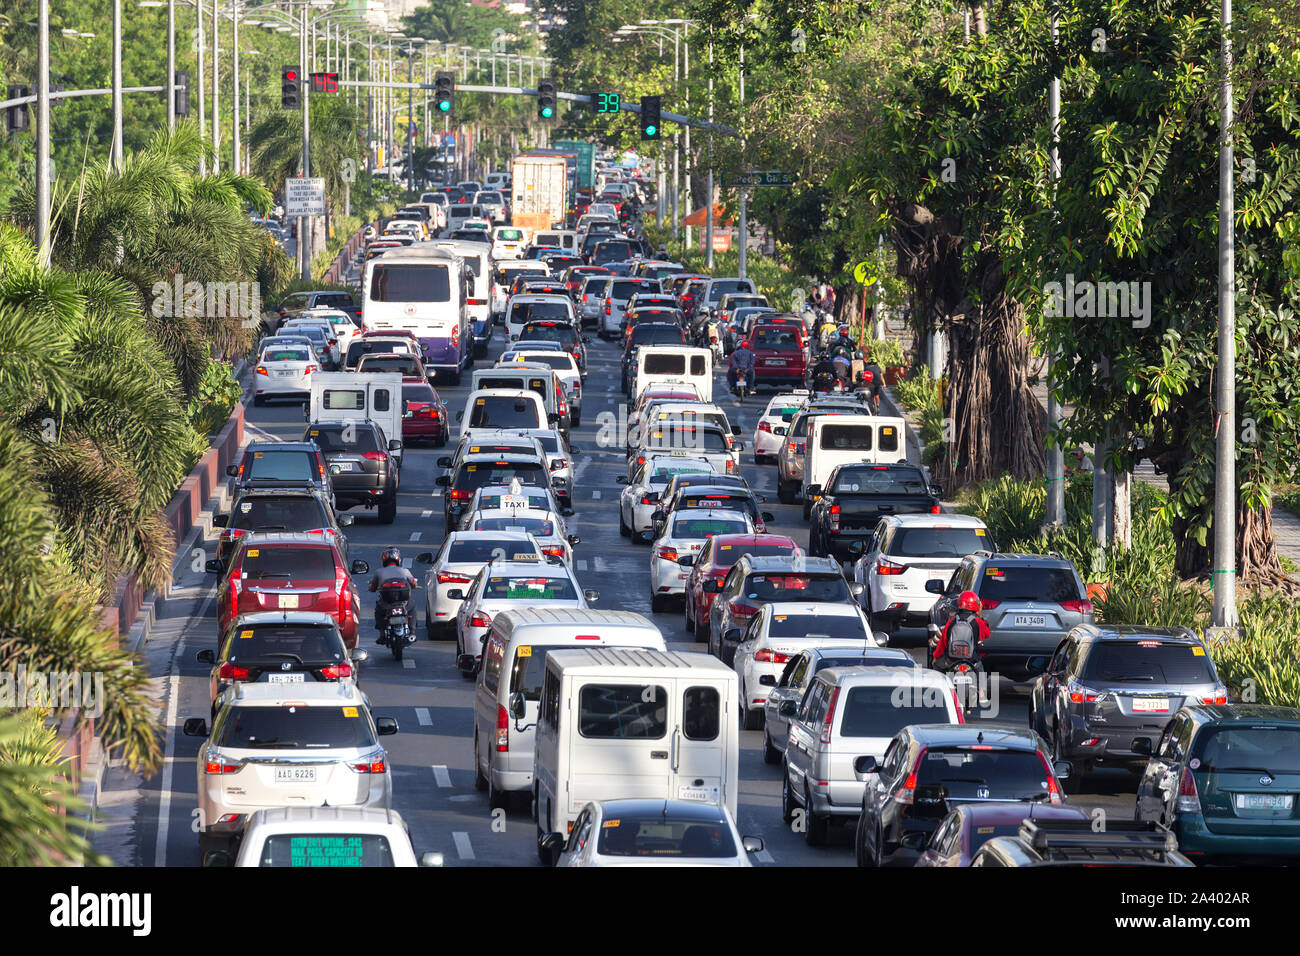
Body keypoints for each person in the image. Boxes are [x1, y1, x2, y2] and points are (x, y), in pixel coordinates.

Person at [368, 547, 420, 644]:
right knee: (412, 608)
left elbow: (372, 588)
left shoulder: (378, 572)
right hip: (404, 604)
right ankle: (413, 632)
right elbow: (414, 584)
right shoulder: (405, 571)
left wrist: (372, 588)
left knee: (378, 612)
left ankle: (382, 634)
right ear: (398, 559)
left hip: (385, 604)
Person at [930, 590, 990, 668]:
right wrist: (980, 616)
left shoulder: (951, 621)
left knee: (937, 668)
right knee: (981, 676)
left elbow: (943, 642)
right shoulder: (978, 622)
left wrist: (935, 656)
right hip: (972, 661)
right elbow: (986, 634)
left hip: (951, 661)